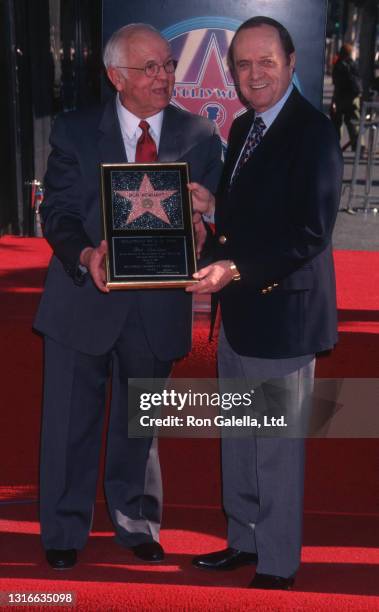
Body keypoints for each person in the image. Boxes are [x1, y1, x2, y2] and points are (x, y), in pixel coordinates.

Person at [34, 23, 222, 570]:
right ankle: (64, 528)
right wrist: (87, 255)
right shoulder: (73, 130)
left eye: (167, 65)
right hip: (82, 297)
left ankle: (136, 519)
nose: (163, 76)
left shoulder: (200, 135)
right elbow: (59, 214)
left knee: (141, 422)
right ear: (116, 76)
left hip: (157, 305)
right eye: (149, 68)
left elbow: (207, 226)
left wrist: (205, 219)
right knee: (69, 420)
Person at [187, 16, 343, 590]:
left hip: (283, 313)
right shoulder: (244, 127)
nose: (254, 75)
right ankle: (244, 540)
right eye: (243, 64)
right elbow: (250, 215)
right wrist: (212, 206)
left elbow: (311, 232)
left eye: (266, 63)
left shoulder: (313, 131)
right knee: (240, 434)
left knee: (274, 444)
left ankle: (277, 561)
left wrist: (236, 268)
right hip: (241, 311)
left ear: (291, 63)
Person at [331, 43, 362, 151]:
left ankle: (334, 145)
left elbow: (336, 83)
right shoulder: (353, 64)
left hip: (341, 98)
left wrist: (334, 100)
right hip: (353, 98)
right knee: (354, 122)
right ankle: (357, 145)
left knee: (336, 122)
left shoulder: (339, 65)